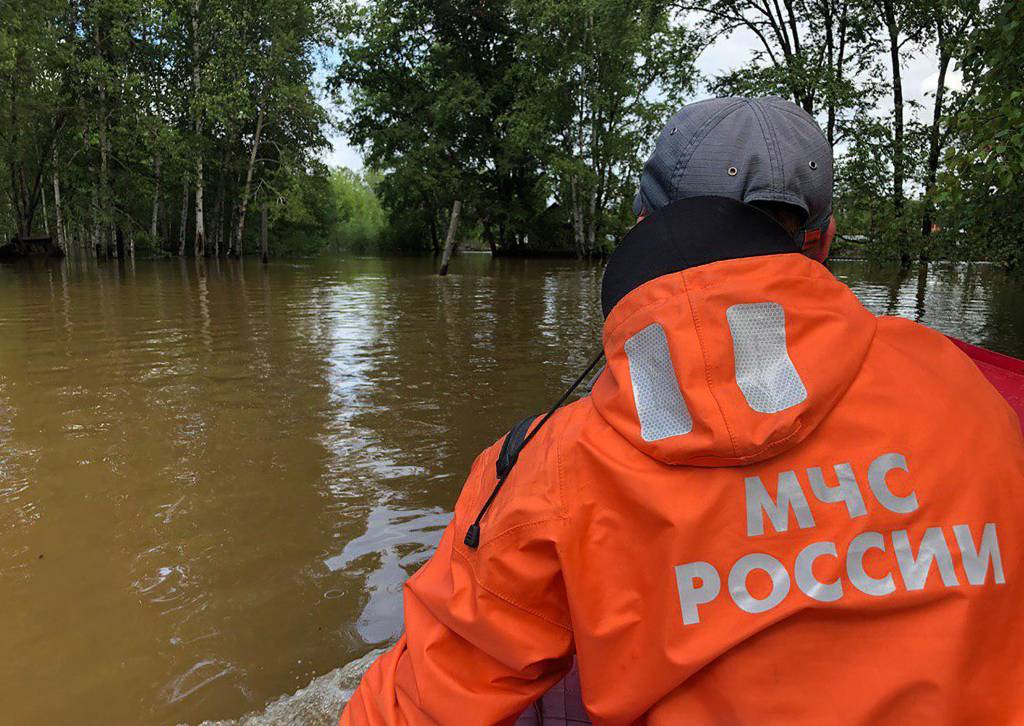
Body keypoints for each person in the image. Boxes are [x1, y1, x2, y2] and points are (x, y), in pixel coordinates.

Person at [340, 97, 1024, 725]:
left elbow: (417, 706)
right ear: (823, 241)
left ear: (642, 225)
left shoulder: (550, 466)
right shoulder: (971, 394)